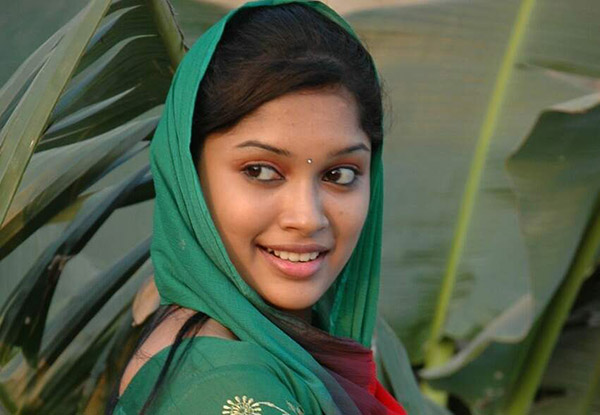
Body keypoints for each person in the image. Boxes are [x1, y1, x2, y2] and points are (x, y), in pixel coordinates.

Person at [108, 1, 407, 414]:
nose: (306, 218)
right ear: (189, 175)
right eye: (261, 171)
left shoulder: (281, 349)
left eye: (338, 174)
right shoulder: (222, 386)